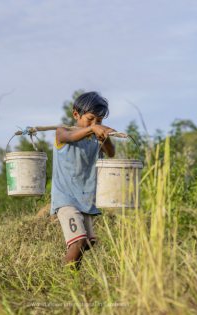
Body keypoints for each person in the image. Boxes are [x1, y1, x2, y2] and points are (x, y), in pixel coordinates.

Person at [51, 91, 115, 269]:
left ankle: (74, 276)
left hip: (86, 200)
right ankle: (65, 278)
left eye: (99, 121)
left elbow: (111, 153)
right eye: (90, 119)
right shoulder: (62, 132)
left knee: (86, 243)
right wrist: (92, 129)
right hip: (66, 199)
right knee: (78, 242)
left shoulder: (95, 140)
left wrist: (106, 138)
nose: (95, 124)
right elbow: (67, 137)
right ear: (76, 115)